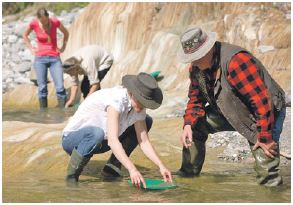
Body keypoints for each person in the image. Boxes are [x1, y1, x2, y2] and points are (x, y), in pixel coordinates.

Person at [176, 27, 286, 187]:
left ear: (209, 50)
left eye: (197, 57)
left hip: (264, 112)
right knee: (194, 126)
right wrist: (187, 124)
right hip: (229, 109)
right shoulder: (196, 68)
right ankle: (187, 177)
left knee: (267, 170)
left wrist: (264, 138)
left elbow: (262, 101)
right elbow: (195, 99)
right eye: (192, 58)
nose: (194, 62)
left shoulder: (236, 61)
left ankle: (273, 193)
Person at [61, 72, 172, 187]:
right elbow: (113, 141)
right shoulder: (117, 99)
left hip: (101, 140)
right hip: (73, 140)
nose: (143, 106)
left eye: (145, 103)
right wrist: (132, 170)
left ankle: (112, 168)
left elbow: (144, 142)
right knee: (96, 134)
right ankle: (71, 179)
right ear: (132, 93)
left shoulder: (138, 105)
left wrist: (161, 166)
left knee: (147, 120)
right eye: (141, 101)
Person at [23, 8, 69, 109]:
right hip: (40, 59)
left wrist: (63, 46)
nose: (44, 24)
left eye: (46, 21)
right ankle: (43, 116)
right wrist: (31, 48)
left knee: (60, 87)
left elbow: (66, 33)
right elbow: (25, 35)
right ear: (38, 19)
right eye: (42, 22)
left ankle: (63, 115)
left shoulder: (55, 22)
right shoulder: (34, 24)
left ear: (48, 17)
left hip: (55, 58)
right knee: (42, 88)